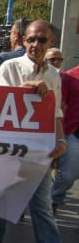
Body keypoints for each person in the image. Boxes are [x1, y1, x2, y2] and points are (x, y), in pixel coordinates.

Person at [0, 19, 78, 243]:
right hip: (8, 149)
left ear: (51, 44)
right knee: (0, 203)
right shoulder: (9, 67)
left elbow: (56, 113)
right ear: (23, 41)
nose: (36, 45)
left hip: (39, 151)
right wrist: (29, 89)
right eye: (31, 39)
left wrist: (60, 140)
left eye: (42, 40)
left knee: (43, 210)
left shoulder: (54, 76)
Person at [51, 54, 77, 214]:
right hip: (75, 134)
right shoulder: (69, 76)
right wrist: (58, 134)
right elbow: (59, 106)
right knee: (68, 175)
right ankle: (54, 198)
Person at [0, 18, 31, 83]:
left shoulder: (3, 58)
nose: (9, 37)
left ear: (16, 36)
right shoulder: (37, 58)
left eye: (11, 33)